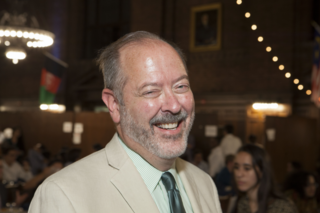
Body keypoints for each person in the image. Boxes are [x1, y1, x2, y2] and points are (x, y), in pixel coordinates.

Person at [29, 31, 222, 213]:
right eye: (151, 91)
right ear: (114, 105)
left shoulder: (205, 185)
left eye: (181, 86)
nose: (174, 106)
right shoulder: (63, 194)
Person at [232, 144, 297, 213]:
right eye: (236, 167)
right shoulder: (242, 203)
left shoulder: (282, 207)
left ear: (261, 171)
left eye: (247, 168)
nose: (239, 174)